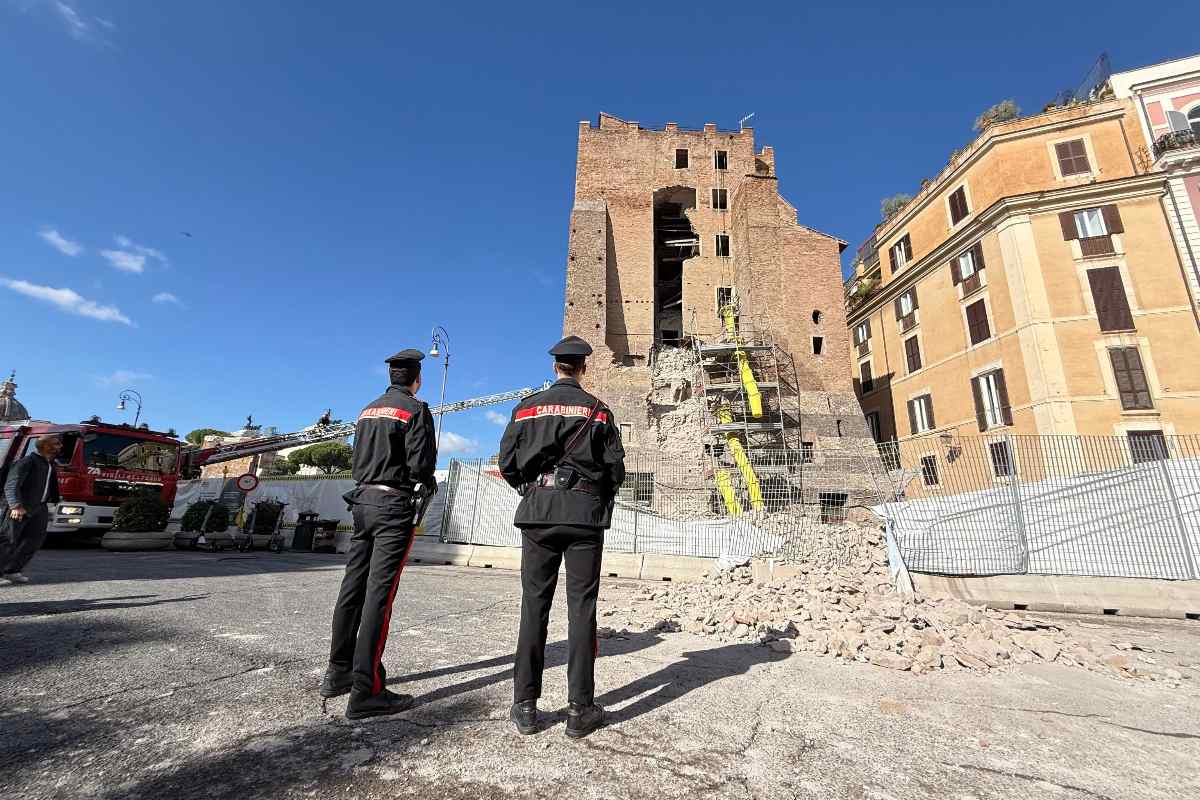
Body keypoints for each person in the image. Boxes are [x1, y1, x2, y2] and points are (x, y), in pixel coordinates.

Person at [498, 336, 625, 739]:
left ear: (556, 367)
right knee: (581, 609)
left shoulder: (525, 409)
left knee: (533, 607)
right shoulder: (599, 412)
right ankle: (579, 709)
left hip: (538, 513)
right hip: (584, 516)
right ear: (582, 368)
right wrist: (593, 495)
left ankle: (525, 707)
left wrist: (532, 488)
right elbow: (616, 471)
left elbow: (507, 462)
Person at [321, 349, 438, 719]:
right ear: (417, 379)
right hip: (392, 506)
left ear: (391, 377)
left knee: (352, 588)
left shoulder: (367, 410)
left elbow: (359, 459)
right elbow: (421, 465)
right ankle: (366, 689)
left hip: (362, 502)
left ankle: (337, 672)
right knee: (379, 597)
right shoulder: (416, 410)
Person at [1, 434, 63, 585]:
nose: (60, 446)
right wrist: (15, 505)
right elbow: (11, 484)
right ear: (45, 446)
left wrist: (55, 500)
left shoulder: (50, 464)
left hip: (39, 508)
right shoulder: (27, 461)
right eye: (56, 444)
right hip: (20, 507)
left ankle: (12, 570)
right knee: (7, 540)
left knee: (34, 541)